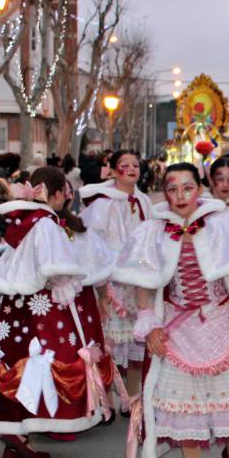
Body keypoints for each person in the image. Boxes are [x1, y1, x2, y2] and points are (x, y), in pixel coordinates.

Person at [111, 163, 229, 458]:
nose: (180, 196)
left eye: (187, 188)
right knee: (181, 397)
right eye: (172, 189)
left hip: (221, 318)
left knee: (228, 393)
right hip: (178, 323)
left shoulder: (224, 225)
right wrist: (149, 321)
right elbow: (142, 283)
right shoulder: (152, 231)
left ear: (199, 189)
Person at [0, 166, 115, 458]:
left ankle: (16, 433)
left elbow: (11, 263)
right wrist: (68, 288)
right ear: (58, 194)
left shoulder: (24, 222)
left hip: (18, 309)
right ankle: (22, 433)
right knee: (46, 363)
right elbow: (55, 268)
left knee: (17, 361)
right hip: (44, 310)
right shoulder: (47, 223)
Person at [79, 149, 152, 401]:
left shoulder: (143, 200)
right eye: (124, 165)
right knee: (110, 343)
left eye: (135, 164)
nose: (132, 169)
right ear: (112, 170)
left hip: (139, 281)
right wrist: (101, 283)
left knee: (137, 344)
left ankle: (132, 396)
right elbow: (93, 243)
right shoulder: (103, 204)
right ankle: (106, 395)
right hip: (112, 283)